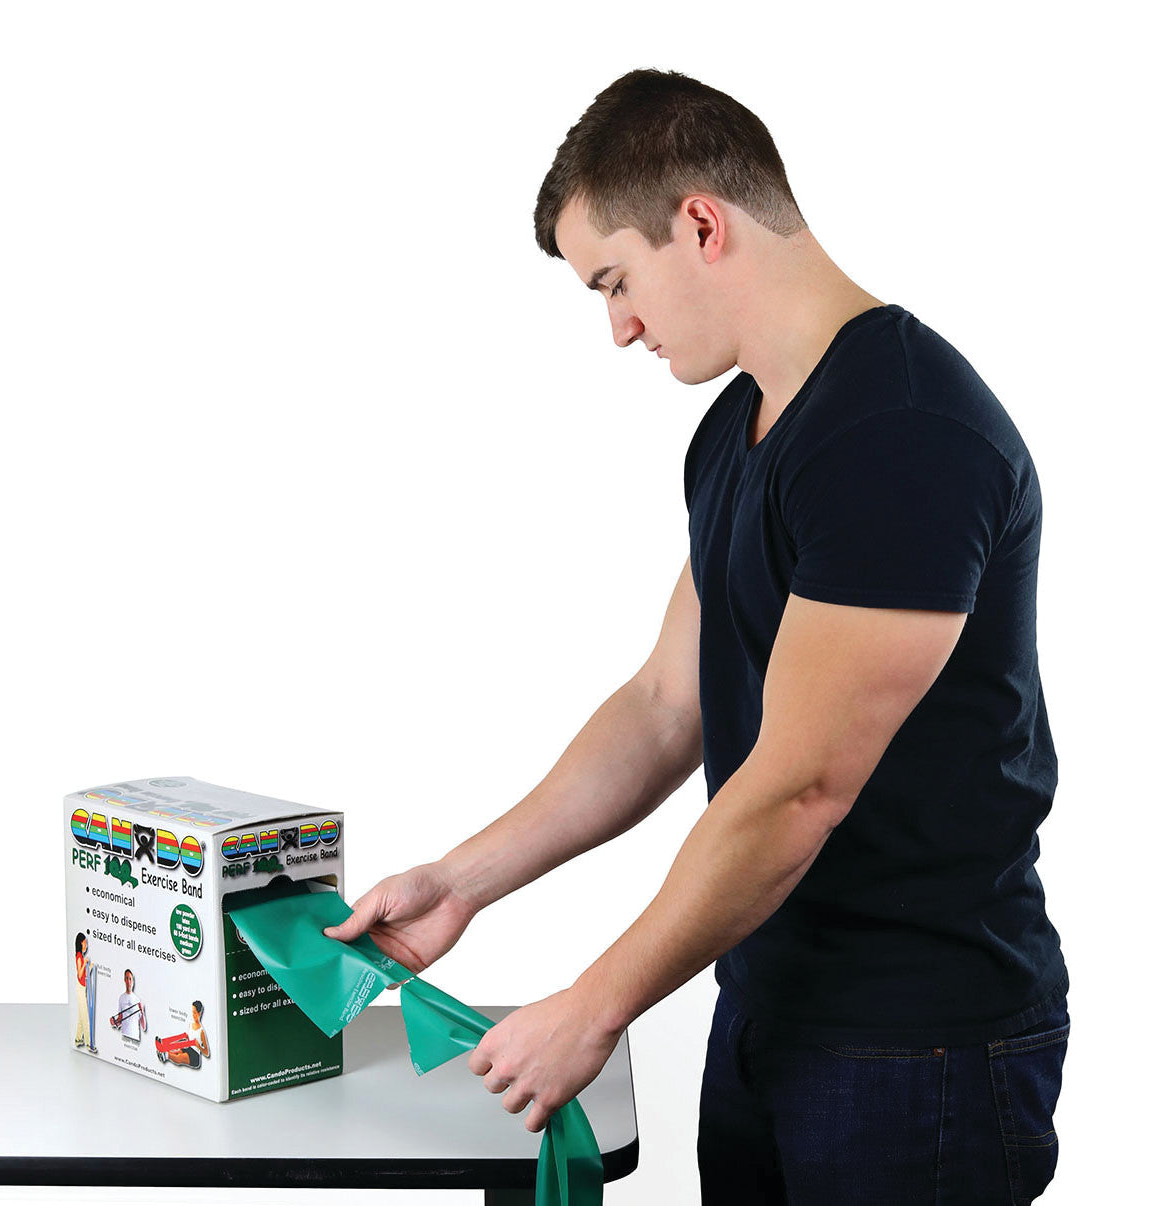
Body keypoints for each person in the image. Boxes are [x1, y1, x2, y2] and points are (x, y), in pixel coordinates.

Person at [323, 68, 1069, 1204]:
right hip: (775, 1004)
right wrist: (464, 881)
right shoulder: (744, 424)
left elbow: (798, 786)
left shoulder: (899, 435)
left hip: (920, 1047)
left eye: (616, 281)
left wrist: (598, 999)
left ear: (702, 224)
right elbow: (666, 706)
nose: (619, 328)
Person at [156, 1000, 209, 1068]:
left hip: (195, 1056)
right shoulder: (191, 1024)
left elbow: (207, 1053)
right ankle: (164, 1051)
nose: (193, 1015)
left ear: (199, 1013)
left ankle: (166, 1055)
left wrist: (198, 1046)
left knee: (180, 1057)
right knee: (177, 1052)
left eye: (195, 1013)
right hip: (189, 1048)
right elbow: (188, 1037)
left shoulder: (201, 1031)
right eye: (192, 1012)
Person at [72, 932, 96, 1053]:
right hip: (80, 989)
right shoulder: (79, 956)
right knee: (85, 1016)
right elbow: (79, 974)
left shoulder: (80, 956)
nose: (86, 944)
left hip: (83, 987)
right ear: (81, 943)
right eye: (85, 942)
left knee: (81, 1016)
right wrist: (85, 963)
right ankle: (89, 1044)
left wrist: (90, 967)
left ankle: (77, 1039)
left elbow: (84, 975)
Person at [114, 969, 146, 1043]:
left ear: (133, 981)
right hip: (124, 1036)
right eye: (127, 978)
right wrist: (114, 1023)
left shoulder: (137, 1000)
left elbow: (144, 1027)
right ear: (124, 980)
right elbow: (120, 1019)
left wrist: (142, 1011)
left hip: (135, 1037)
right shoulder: (121, 998)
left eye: (130, 979)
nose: (128, 981)